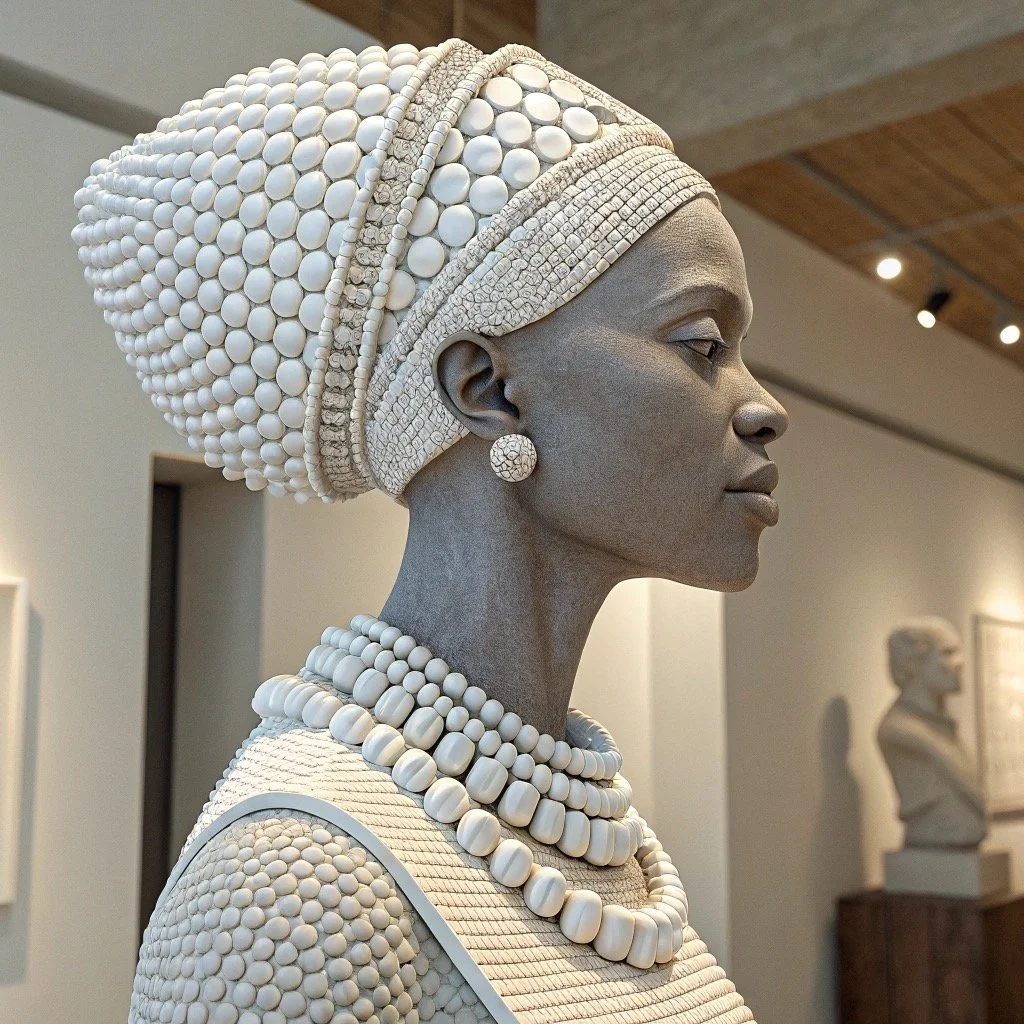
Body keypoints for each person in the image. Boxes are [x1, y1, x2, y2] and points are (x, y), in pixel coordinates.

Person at [75, 36, 788, 1024]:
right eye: (701, 343)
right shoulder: (295, 892)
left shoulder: (571, 829)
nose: (762, 408)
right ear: (487, 389)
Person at [878, 618, 986, 849]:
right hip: (935, 839)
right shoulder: (900, 731)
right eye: (947, 653)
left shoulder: (942, 729)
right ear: (914, 663)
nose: (960, 662)